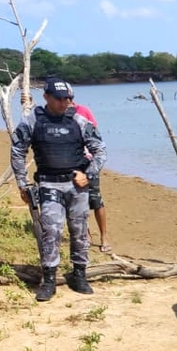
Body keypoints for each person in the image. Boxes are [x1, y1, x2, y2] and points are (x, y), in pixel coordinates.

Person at [11, 77, 106, 302]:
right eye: (59, 98)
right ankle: (49, 279)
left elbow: (100, 150)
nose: (64, 102)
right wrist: (23, 184)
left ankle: (79, 274)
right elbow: (17, 151)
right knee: (51, 231)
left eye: (68, 98)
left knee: (79, 230)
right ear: (46, 97)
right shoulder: (33, 120)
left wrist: (89, 175)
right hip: (48, 183)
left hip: (76, 185)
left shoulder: (80, 121)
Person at [68, 89, 110, 253]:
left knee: (96, 200)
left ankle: (104, 237)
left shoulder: (83, 111)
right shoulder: (56, 113)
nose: (65, 102)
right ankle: (86, 235)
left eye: (67, 99)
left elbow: (94, 135)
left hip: (89, 162)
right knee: (77, 201)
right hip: (70, 163)